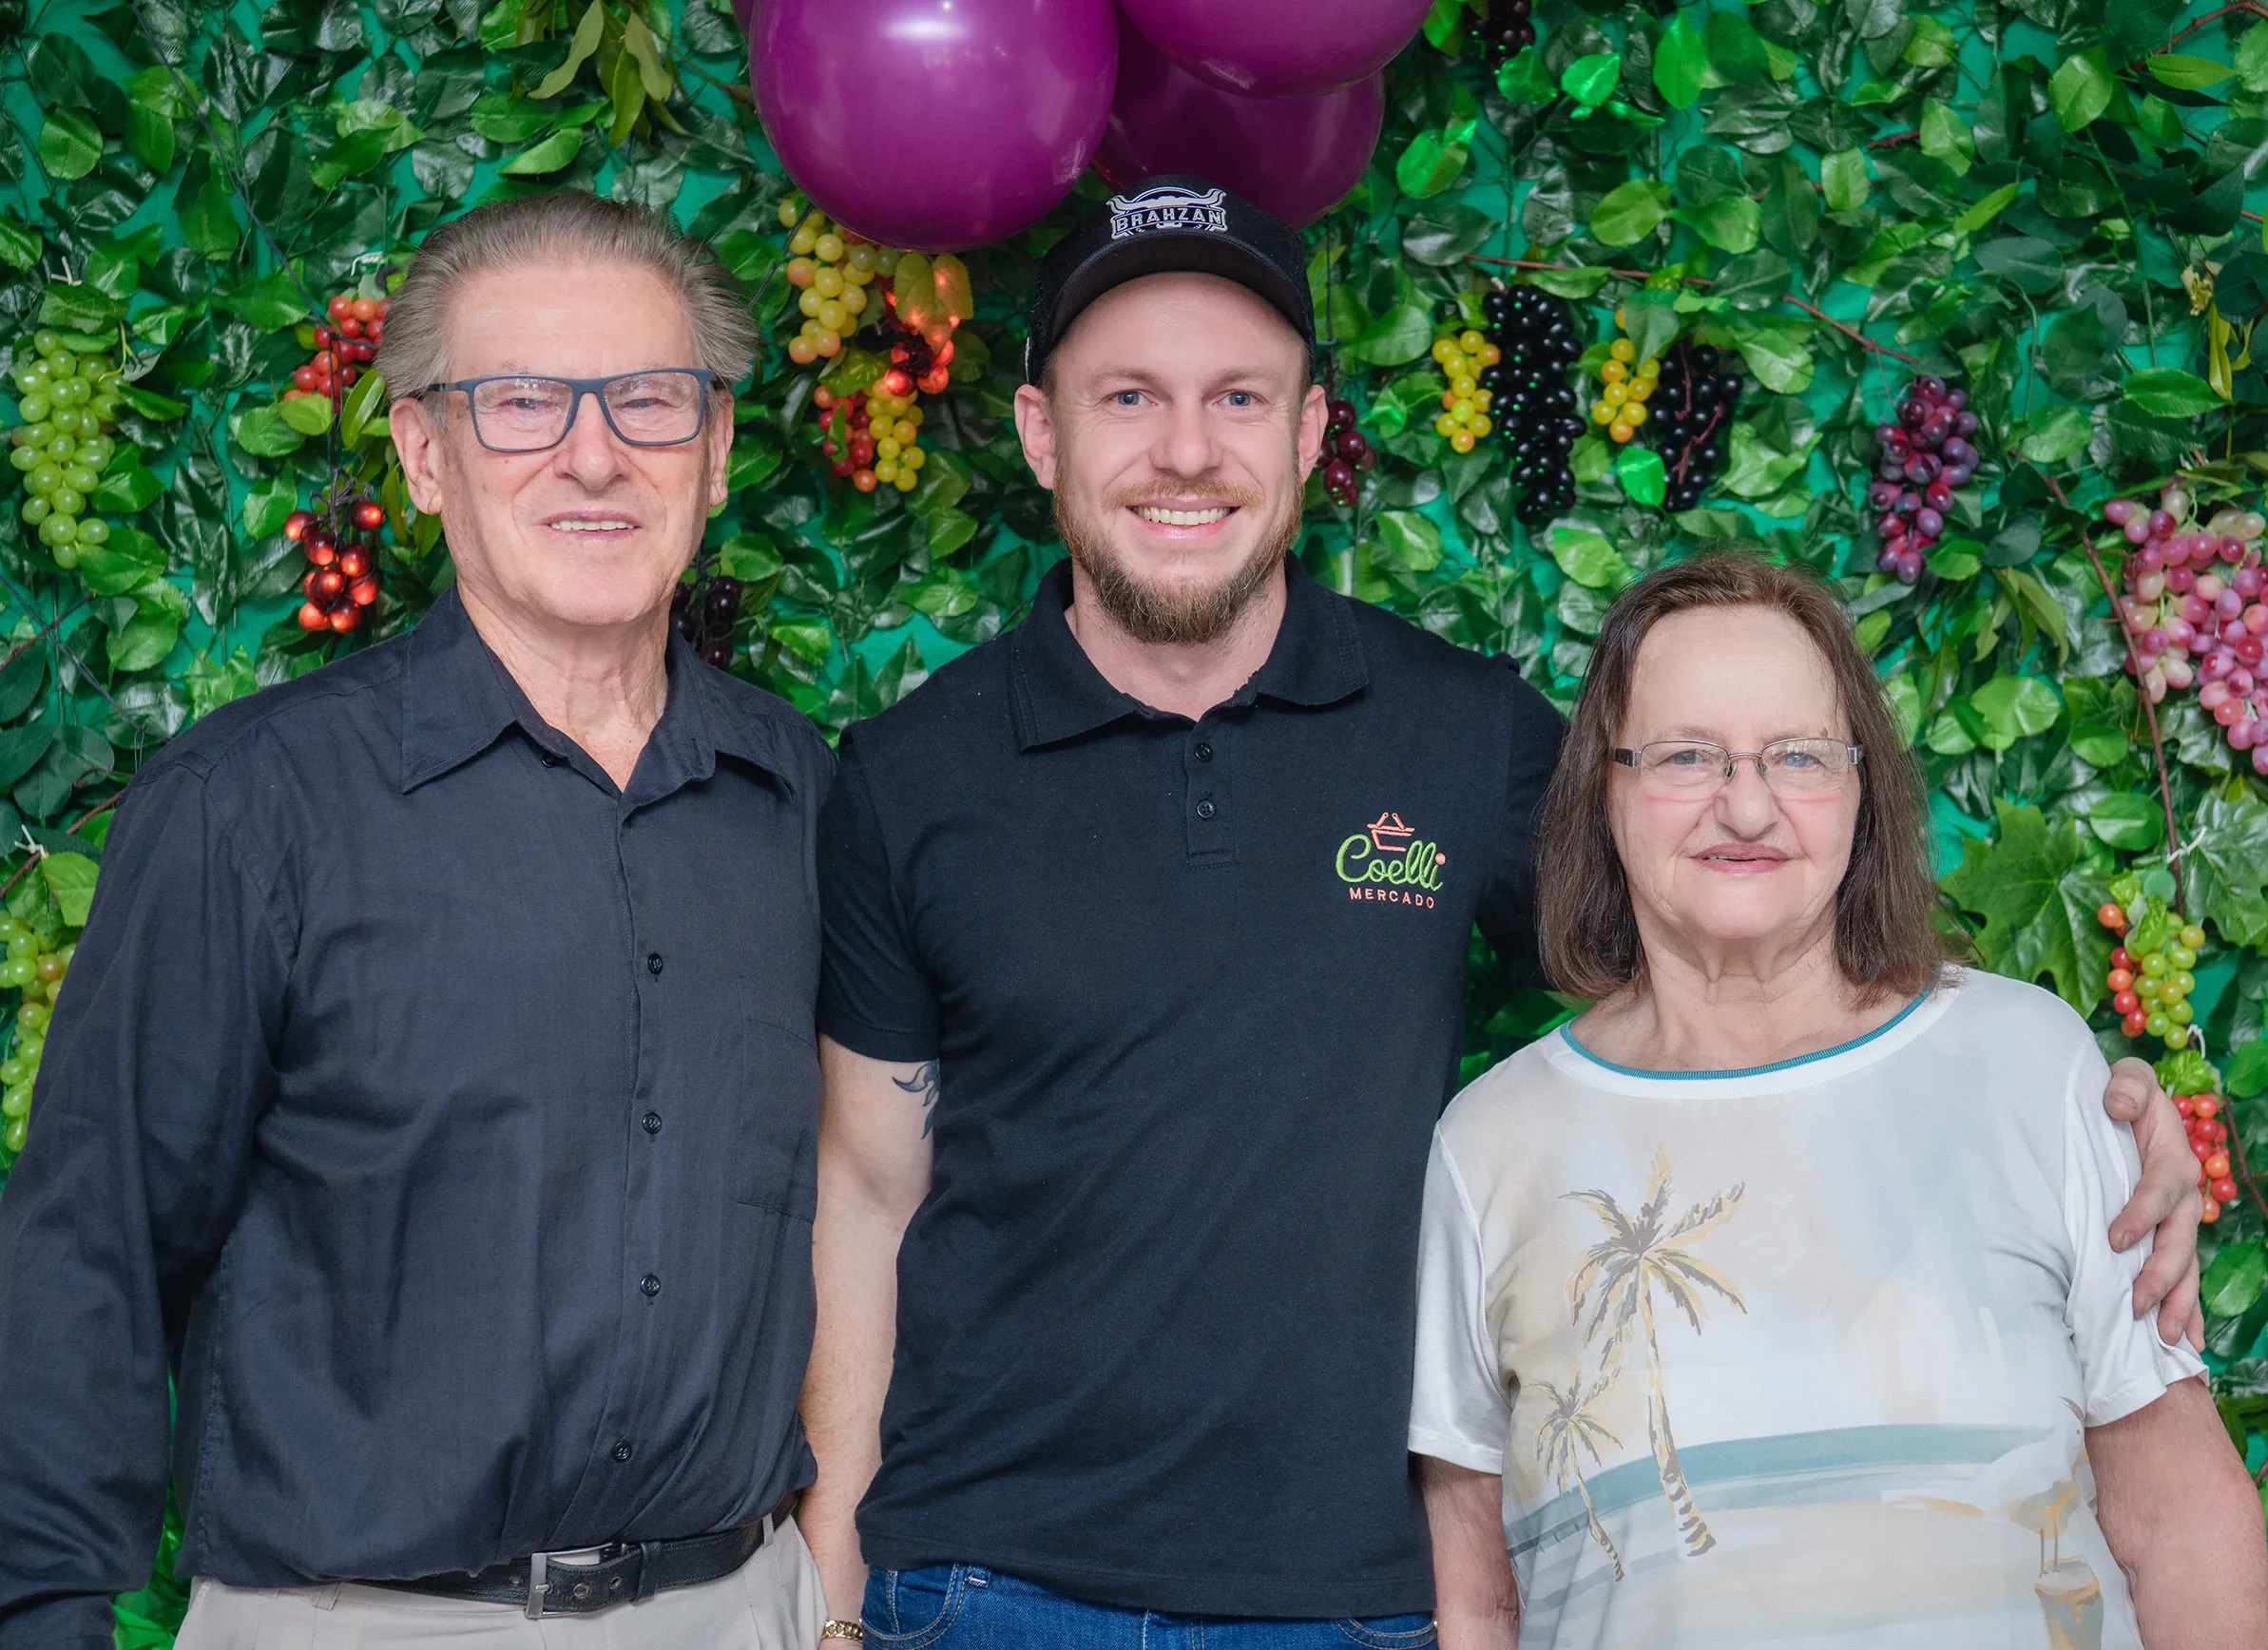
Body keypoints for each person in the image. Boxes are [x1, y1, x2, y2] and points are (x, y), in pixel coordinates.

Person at [798, 177, 2202, 1647]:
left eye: (1237, 396)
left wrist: (2075, 1104)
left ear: (1308, 433)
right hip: (979, 1586)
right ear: (1041, 432)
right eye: (1128, 396)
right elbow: (871, 1192)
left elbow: (1748, 946)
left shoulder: (1458, 738)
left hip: (1348, 1598)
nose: (1186, 451)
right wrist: (832, 1578)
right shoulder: (910, 778)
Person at [0, 192, 831, 1650]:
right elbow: (91, 1250)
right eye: (520, 403)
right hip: (354, 1620)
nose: (593, 452)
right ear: (425, 454)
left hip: (740, 1609)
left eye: (648, 399)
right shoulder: (248, 807)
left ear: (712, 454)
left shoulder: (806, 801)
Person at [1412, 553, 2266, 1649]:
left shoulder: (2028, 1059)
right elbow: (1477, 1597)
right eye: (1686, 755)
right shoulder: (1491, 1144)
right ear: (1602, 791)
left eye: (1798, 756)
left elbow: (2176, 1516)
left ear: (1863, 788)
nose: (1748, 804)